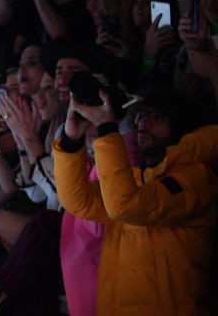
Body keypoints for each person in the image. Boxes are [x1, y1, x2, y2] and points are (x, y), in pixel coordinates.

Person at [54, 81, 218, 314]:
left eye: (156, 116)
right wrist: (72, 139)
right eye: (140, 115)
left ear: (181, 124)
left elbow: (125, 206)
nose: (143, 122)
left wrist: (107, 130)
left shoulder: (196, 178)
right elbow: (77, 201)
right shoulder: (136, 179)